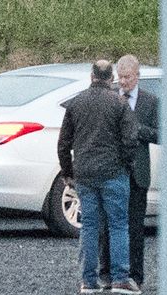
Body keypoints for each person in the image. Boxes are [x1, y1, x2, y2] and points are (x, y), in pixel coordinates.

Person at [58, 60, 140, 295]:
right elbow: (130, 140)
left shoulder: (76, 103)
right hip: (114, 173)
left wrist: (68, 172)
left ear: (91, 76)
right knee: (118, 226)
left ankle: (89, 281)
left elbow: (63, 144)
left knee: (90, 226)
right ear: (111, 78)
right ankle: (120, 279)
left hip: (85, 174)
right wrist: (125, 164)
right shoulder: (119, 103)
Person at [99, 55, 158, 289]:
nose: (122, 82)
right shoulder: (110, 97)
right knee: (108, 226)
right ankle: (107, 273)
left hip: (137, 175)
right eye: (120, 77)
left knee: (135, 228)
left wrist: (135, 128)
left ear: (137, 76)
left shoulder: (150, 102)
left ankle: (136, 275)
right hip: (112, 172)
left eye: (127, 77)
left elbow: (159, 134)